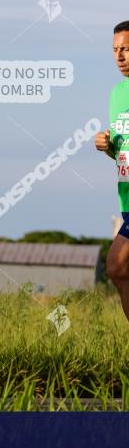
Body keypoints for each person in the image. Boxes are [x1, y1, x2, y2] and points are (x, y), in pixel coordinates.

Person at [97, 20, 129, 322]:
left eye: (127, 49)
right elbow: (124, 153)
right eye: (116, 50)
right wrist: (107, 146)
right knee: (119, 270)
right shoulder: (117, 94)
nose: (120, 56)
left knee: (118, 266)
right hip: (127, 201)